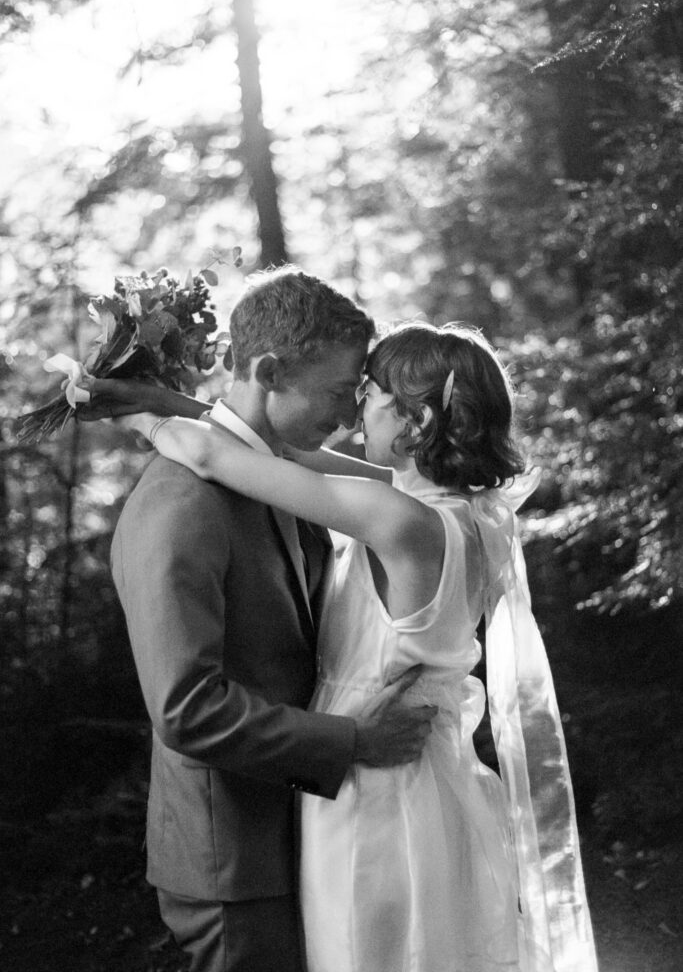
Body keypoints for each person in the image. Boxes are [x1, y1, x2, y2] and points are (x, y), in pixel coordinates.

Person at [97, 320, 599, 972]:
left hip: (377, 788)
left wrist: (141, 421)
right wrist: (173, 402)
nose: (356, 405)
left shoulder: (399, 519)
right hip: (428, 777)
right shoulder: (458, 510)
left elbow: (225, 458)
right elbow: (279, 447)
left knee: (368, 949)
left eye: (371, 393)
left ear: (415, 422)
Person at [96, 267, 437, 972]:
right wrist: (351, 741)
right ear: (270, 370)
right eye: (339, 391)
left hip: (303, 833)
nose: (348, 416)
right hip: (234, 862)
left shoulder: (275, 476)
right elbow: (188, 709)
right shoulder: (181, 505)